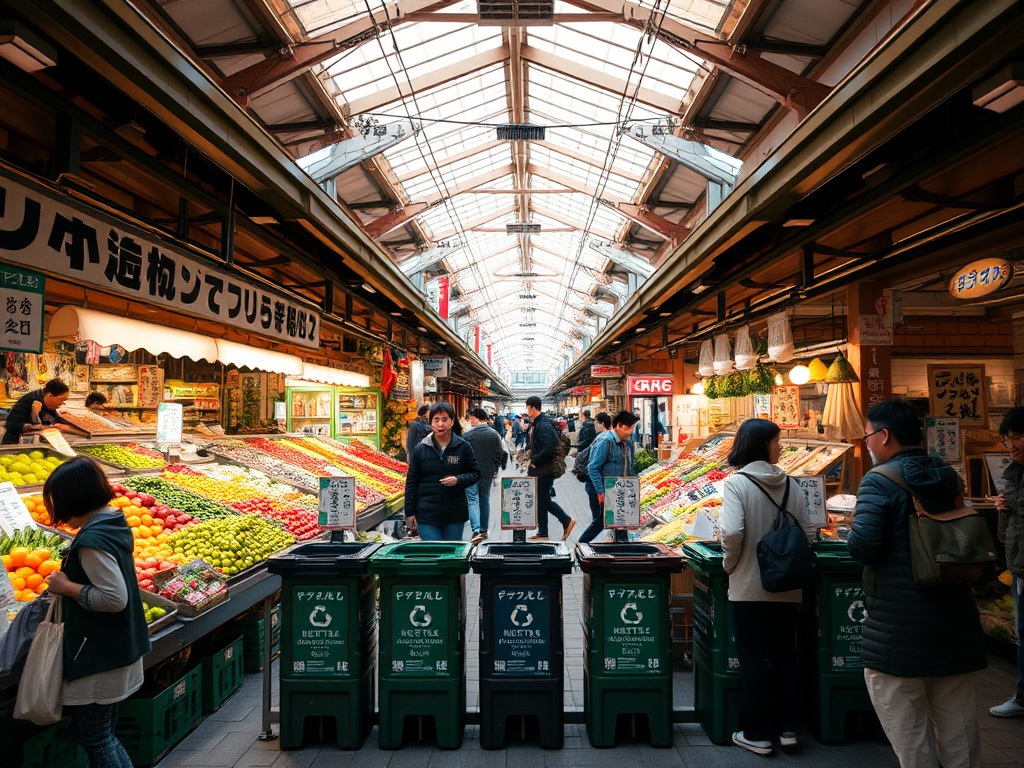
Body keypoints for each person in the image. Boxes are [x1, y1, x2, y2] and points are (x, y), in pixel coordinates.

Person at [847, 399, 985, 768]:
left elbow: (864, 546)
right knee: (960, 734)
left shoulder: (879, 480)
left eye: (868, 437)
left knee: (911, 737)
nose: (868, 444)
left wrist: (850, 532)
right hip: (955, 619)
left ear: (884, 435)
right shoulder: (947, 475)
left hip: (899, 630)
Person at [42, 456, 150, 768]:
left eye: (58, 502)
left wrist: (66, 586)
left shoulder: (91, 540)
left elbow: (114, 598)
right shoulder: (113, 521)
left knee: (96, 737)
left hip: (98, 654)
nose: (57, 513)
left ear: (74, 499)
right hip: (117, 647)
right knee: (103, 734)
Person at [719, 418, 812, 756]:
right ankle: (788, 729)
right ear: (762, 446)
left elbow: (730, 532)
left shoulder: (737, 485)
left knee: (754, 658)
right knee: (787, 656)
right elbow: (808, 532)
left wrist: (730, 564)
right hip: (788, 586)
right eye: (777, 440)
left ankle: (758, 734)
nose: (781, 446)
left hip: (748, 587)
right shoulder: (792, 485)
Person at [404, 402, 480, 541]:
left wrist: (458, 479)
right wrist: (409, 512)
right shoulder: (420, 449)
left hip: (454, 513)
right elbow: (411, 482)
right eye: (436, 420)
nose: (440, 424)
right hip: (426, 514)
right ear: (431, 423)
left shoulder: (463, 447)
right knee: (433, 553)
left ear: (452, 421)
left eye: (444, 419)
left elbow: (475, 473)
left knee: (451, 554)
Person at [990, 406, 1024, 717]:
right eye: (1007, 439)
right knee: (1022, 633)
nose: (1011, 445)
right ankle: (1023, 696)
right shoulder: (1014, 473)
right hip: (1019, 567)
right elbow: (1007, 534)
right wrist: (1003, 511)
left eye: (1017, 437)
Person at [525, 396, 575, 541]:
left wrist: (534, 461)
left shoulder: (543, 425)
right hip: (542, 469)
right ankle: (543, 532)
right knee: (541, 499)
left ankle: (566, 520)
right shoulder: (539, 424)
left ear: (533, 408)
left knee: (543, 499)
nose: (527, 411)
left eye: (527, 408)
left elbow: (549, 448)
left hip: (545, 469)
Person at [580, 410, 635, 544]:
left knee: (620, 520)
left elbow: (628, 467)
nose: (630, 432)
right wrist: (600, 491)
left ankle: (622, 549)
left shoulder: (626, 443)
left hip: (618, 490)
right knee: (602, 521)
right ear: (619, 425)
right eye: (628, 428)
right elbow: (592, 468)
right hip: (603, 489)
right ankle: (581, 544)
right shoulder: (606, 441)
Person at [464, 408, 504, 543]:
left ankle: (475, 530)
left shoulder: (466, 434)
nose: (470, 421)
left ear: (475, 418)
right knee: (484, 500)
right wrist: (495, 468)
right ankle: (484, 529)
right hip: (487, 471)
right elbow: (500, 453)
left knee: (472, 500)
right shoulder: (494, 434)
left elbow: (462, 454)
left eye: (471, 418)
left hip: (470, 472)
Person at [2, 378, 75, 444]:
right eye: (61, 399)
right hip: (15, 444)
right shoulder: (30, 400)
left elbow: (56, 419)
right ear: (50, 395)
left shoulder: (46, 401)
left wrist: (67, 419)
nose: (61, 403)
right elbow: (10, 424)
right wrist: (31, 426)